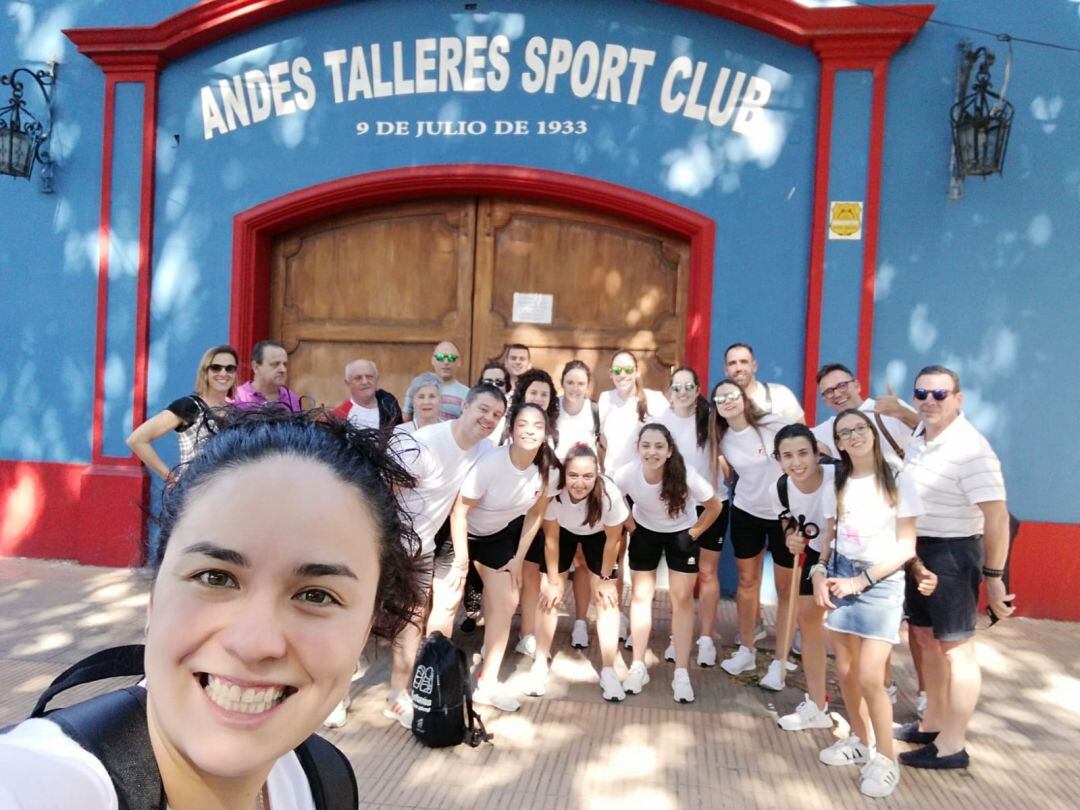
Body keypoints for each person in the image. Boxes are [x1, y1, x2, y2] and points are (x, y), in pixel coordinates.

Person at [0, 408, 423, 809]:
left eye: (316, 595)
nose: (253, 643)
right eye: (215, 577)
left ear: (369, 626)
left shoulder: (321, 779)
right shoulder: (37, 783)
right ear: (154, 599)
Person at [356, 384, 506, 730]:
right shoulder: (423, 444)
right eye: (483, 409)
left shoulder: (485, 450)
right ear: (465, 407)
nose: (488, 419)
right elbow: (380, 495)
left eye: (497, 415)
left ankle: (397, 697)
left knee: (412, 620)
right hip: (384, 544)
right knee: (361, 616)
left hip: (421, 548)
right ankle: (334, 697)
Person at [895, 365, 1012, 770]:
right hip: (919, 550)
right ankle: (933, 725)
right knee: (925, 639)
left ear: (958, 399)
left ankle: (952, 746)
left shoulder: (971, 449)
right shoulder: (922, 434)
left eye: (940, 394)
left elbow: (997, 517)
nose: (929, 401)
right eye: (922, 393)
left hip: (954, 553)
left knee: (957, 650)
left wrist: (994, 579)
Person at [816, 408, 924, 799]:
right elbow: (829, 536)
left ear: (872, 434)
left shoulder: (897, 478)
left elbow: (906, 546)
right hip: (840, 575)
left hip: (879, 581)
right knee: (844, 671)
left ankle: (886, 758)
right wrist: (818, 571)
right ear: (839, 444)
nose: (854, 436)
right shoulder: (838, 480)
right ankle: (861, 742)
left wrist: (862, 580)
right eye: (845, 433)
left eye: (860, 429)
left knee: (869, 676)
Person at [450, 401, 560, 712]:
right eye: (523, 424)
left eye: (538, 426)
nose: (530, 431)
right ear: (510, 430)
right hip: (458, 532)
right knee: (446, 605)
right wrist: (461, 560)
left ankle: (487, 682)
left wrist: (517, 558)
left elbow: (535, 515)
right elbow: (459, 511)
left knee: (507, 600)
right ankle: (430, 678)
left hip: (495, 537)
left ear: (546, 432)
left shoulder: (548, 469)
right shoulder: (491, 463)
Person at [614, 423, 722, 703]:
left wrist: (694, 533)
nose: (652, 452)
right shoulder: (627, 474)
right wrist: (630, 525)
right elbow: (612, 498)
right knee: (639, 596)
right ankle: (638, 665)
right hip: (645, 532)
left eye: (659, 446)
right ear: (638, 449)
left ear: (669, 450)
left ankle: (682, 672)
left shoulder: (685, 475)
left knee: (682, 600)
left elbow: (715, 506)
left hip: (681, 534)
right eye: (646, 445)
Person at [527, 443, 630, 701]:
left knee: (607, 600)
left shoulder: (609, 494)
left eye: (587, 476)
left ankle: (608, 670)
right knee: (548, 595)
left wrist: (606, 580)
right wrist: (552, 581)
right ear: (565, 474)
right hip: (562, 533)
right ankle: (540, 663)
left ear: (597, 475)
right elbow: (550, 538)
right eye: (573, 475)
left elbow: (613, 541)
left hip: (599, 537)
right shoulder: (554, 491)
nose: (580, 483)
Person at [711, 378, 793, 684]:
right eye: (720, 399)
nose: (728, 401)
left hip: (784, 515)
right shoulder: (721, 436)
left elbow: (804, 451)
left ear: (744, 398)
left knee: (786, 590)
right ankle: (746, 649)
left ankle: (781, 662)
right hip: (747, 512)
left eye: (732, 395)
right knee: (747, 581)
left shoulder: (772, 424)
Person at [659, 367, 727, 667]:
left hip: (712, 503)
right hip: (679, 506)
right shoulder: (661, 421)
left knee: (708, 573)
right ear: (669, 392)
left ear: (698, 390)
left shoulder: (712, 418)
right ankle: (679, 635)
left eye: (689, 387)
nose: (683, 392)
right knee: (681, 577)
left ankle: (707, 638)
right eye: (677, 387)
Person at [770, 424, 836, 726]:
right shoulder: (780, 488)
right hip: (812, 555)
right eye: (787, 456)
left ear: (816, 453)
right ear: (778, 459)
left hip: (848, 555)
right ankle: (817, 705)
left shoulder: (839, 478)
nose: (796, 462)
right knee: (808, 623)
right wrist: (791, 539)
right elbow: (789, 523)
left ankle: (880, 693)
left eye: (802, 453)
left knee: (857, 635)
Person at [508, 369, 561, 658]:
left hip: (539, 513)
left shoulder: (555, 430)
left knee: (531, 572)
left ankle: (526, 633)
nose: (539, 397)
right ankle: (495, 630)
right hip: (504, 514)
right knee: (503, 576)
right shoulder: (510, 425)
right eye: (533, 392)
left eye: (544, 393)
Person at [126, 344, 238, 479]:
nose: (223, 373)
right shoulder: (189, 406)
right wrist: (170, 478)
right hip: (195, 492)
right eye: (216, 368)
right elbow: (137, 440)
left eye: (230, 368)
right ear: (205, 372)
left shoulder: (235, 412)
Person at [553, 360, 603, 649]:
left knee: (583, 561)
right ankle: (537, 625)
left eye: (580, 383)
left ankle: (581, 621)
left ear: (588, 386)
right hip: (556, 493)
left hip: (586, 493)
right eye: (570, 382)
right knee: (554, 564)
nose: (575, 388)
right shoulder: (553, 409)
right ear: (562, 383)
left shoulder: (595, 411)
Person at [813, 363, 917, 466]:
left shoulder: (888, 408)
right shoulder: (828, 429)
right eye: (828, 391)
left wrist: (901, 411)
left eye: (842, 385)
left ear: (857, 386)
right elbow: (800, 437)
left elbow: (929, 430)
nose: (837, 394)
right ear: (825, 400)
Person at [598, 349, 669, 474]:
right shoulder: (605, 399)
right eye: (617, 370)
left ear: (637, 372)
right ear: (611, 373)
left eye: (629, 370)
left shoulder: (655, 399)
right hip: (613, 477)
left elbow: (670, 435)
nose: (623, 375)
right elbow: (602, 437)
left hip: (645, 476)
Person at [724, 342, 804, 423]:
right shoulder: (720, 404)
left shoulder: (780, 395)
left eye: (744, 362)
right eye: (732, 363)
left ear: (754, 366)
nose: (738, 368)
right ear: (726, 371)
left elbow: (802, 432)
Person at [330, 358, 402, 429]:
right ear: (348, 383)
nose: (365, 382)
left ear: (377, 379)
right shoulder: (339, 415)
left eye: (369, 377)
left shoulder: (390, 405)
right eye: (358, 378)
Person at [233, 340, 303, 411]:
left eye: (285, 364)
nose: (283, 370)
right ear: (256, 367)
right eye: (275, 364)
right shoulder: (238, 398)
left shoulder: (291, 398)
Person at [427, 341, 470, 421]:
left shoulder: (467, 394)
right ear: (432, 360)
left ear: (459, 362)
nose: (446, 362)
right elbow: (405, 420)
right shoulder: (418, 388)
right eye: (440, 357)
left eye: (451, 358)